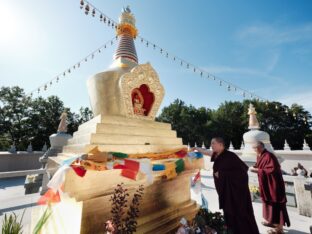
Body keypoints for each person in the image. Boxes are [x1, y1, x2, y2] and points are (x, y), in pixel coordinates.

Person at [192, 137, 259, 234]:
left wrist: (223, 174)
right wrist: (196, 148)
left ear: (220, 144)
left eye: (213, 143)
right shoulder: (218, 155)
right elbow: (207, 152)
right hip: (226, 193)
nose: (211, 145)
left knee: (239, 215)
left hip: (236, 195)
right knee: (229, 215)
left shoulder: (230, 156)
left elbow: (243, 172)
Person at [250, 141, 290, 234]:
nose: (254, 150)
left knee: (276, 203)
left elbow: (272, 170)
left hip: (274, 184)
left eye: (254, 148)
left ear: (259, 147)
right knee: (268, 202)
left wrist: (257, 170)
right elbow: (261, 165)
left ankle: (279, 229)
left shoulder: (269, 156)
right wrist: (255, 167)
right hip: (266, 184)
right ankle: (272, 222)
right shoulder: (260, 155)